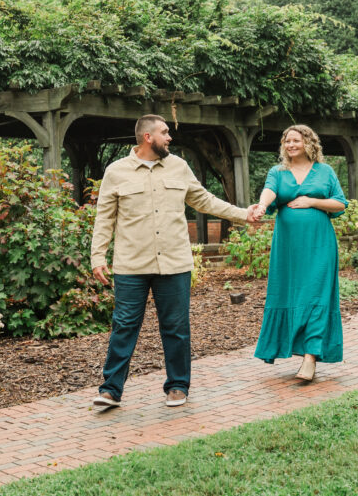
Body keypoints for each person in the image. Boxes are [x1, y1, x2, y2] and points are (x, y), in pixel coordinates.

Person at [91, 114, 260, 409]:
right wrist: (97, 256)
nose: (170, 137)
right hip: (131, 265)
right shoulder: (116, 172)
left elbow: (204, 200)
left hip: (174, 264)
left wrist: (242, 213)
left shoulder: (179, 167)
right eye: (165, 132)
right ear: (148, 137)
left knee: (176, 327)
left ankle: (178, 386)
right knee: (124, 326)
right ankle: (110, 390)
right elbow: (104, 217)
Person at [251, 124, 347, 381]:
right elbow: (269, 191)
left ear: (309, 143)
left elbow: (340, 203)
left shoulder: (325, 171)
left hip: (319, 245)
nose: (291, 145)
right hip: (288, 249)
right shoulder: (278, 172)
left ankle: (310, 358)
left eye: (296, 140)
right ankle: (297, 350)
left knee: (317, 295)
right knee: (290, 293)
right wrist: (262, 206)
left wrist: (312, 201)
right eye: (287, 141)